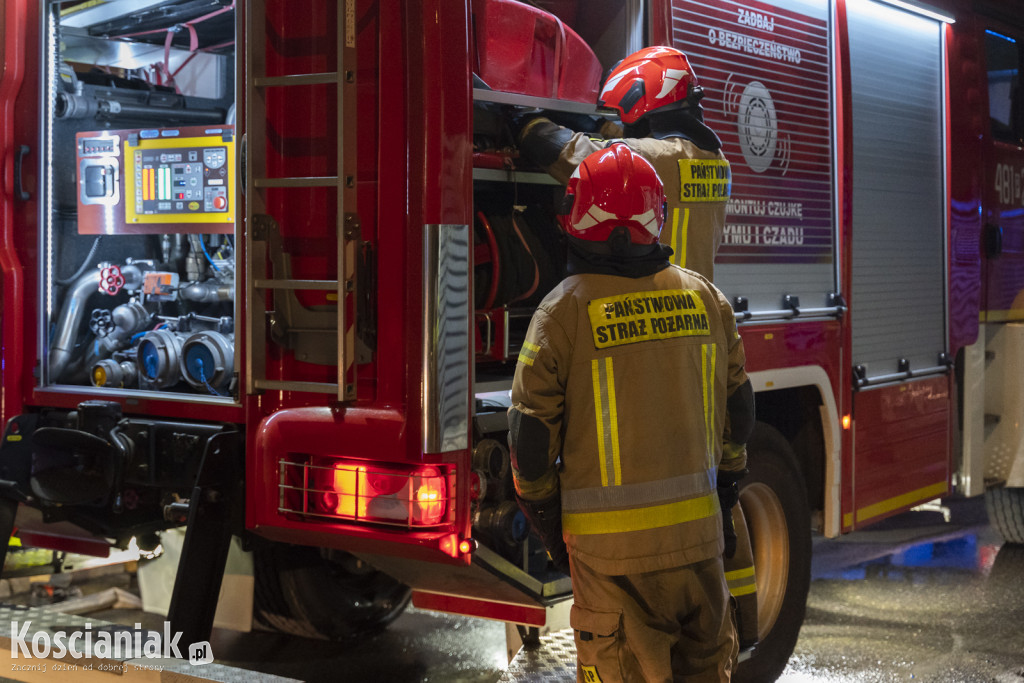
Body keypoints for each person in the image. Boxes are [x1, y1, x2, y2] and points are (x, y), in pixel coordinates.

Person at [508, 144, 755, 682]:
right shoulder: (707, 300)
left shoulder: (560, 314)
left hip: (611, 567)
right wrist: (728, 494)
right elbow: (740, 412)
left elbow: (529, 447)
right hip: (699, 552)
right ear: (654, 218)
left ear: (577, 218)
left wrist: (551, 528)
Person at [517, 45, 731, 282]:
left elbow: (567, 152)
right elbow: (638, 140)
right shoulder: (716, 160)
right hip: (692, 304)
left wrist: (525, 120)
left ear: (640, 98)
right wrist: (593, 124)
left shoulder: (652, 157)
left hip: (654, 300)